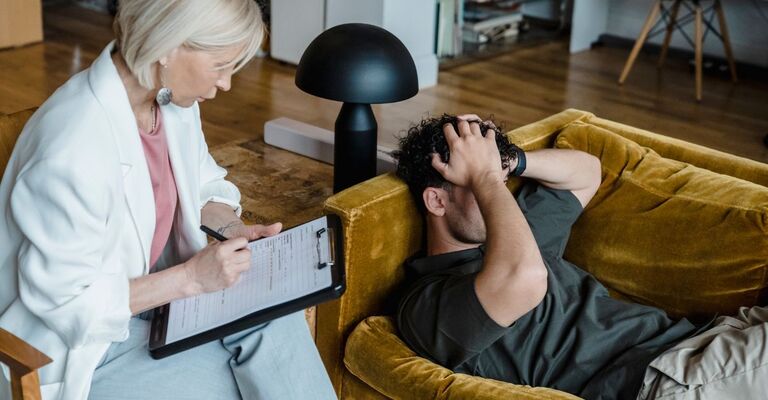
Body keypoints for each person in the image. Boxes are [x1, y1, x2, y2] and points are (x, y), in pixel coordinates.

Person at [0, 1, 336, 399]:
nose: (227, 83)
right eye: (221, 65)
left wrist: (234, 232)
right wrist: (191, 279)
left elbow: (203, 185)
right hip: (81, 350)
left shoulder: (168, 102)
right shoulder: (72, 148)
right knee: (254, 383)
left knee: (276, 318)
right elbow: (68, 305)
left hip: (154, 307)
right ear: (168, 46)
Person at [393, 114, 768, 399]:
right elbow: (524, 279)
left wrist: (509, 162)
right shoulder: (427, 305)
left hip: (708, 339)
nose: (500, 194)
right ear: (437, 201)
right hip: (665, 379)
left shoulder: (508, 232)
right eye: (478, 183)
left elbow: (587, 173)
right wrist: (486, 177)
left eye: (499, 182)